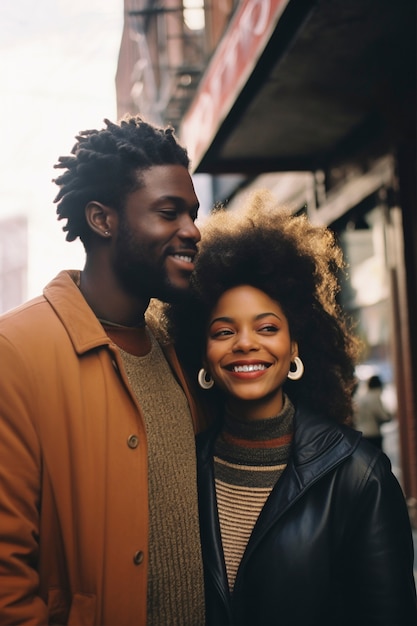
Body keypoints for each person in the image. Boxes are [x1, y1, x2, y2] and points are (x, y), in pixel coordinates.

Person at [165, 191, 417, 626]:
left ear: (295, 345)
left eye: (267, 327)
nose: (246, 343)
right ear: (202, 353)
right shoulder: (180, 470)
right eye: (224, 331)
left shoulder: (359, 476)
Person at [0, 115, 208, 625]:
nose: (192, 231)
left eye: (193, 213)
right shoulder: (16, 352)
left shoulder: (178, 348)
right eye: (169, 212)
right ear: (102, 219)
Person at [353, 374, 392, 449]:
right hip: (373, 433)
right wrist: (390, 416)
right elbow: (382, 415)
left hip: (361, 433)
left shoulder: (362, 397)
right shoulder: (375, 396)